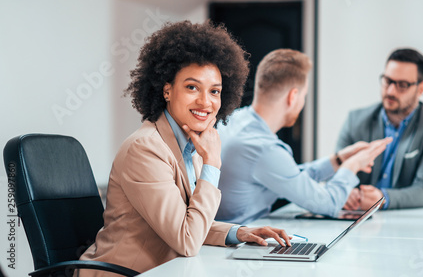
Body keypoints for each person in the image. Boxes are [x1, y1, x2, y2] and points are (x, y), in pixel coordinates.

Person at [78, 21, 291, 276]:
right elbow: (188, 240)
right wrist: (212, 162)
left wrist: (238, 232)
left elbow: (188, 222)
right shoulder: (145, 149)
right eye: (192, 87)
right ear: (167, 90)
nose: (205, 101)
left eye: (215, 91)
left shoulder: (190, 146)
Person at [216, 49, 391, 225]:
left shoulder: (234, 120)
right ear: (293, 96)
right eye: (304, 96)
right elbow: (328, 203)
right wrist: (352, 165)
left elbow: (290, 177)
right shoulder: (263, 148)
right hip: (238, 244)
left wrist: (338, 160)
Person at [337, 48, 423, 211]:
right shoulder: (355, 120)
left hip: (413, 222)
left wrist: (383, 199)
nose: (390, 91)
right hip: (358, 218)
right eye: (387, 81)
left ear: (420, 89)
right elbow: (337, 173)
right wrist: (345, 192)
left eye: (402, 85)